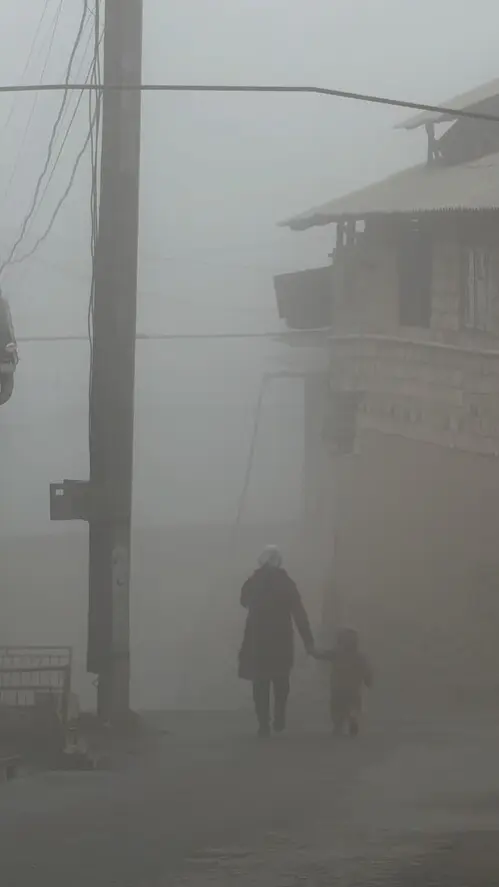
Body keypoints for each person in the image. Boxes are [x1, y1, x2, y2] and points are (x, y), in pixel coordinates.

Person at [238, 546, 314, 738]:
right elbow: (299, 613)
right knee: (281, 680)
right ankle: (279, 716)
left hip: (258, 640)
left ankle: (263, 724)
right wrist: (308, 641)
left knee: (260, 683)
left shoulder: (253, 581)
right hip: (281, 639)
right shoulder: (286, 582)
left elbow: (243, 601)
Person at [312, 628, 372, 737]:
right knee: (354, 705)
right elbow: (366, 670)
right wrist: (368, 681)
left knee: (337, 707)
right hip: (354, 687)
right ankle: (353, 716)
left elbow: (321, 655)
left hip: (337, 686)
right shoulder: (359, 657)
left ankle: (338, 725)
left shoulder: (335, 653)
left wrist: (312, 651)